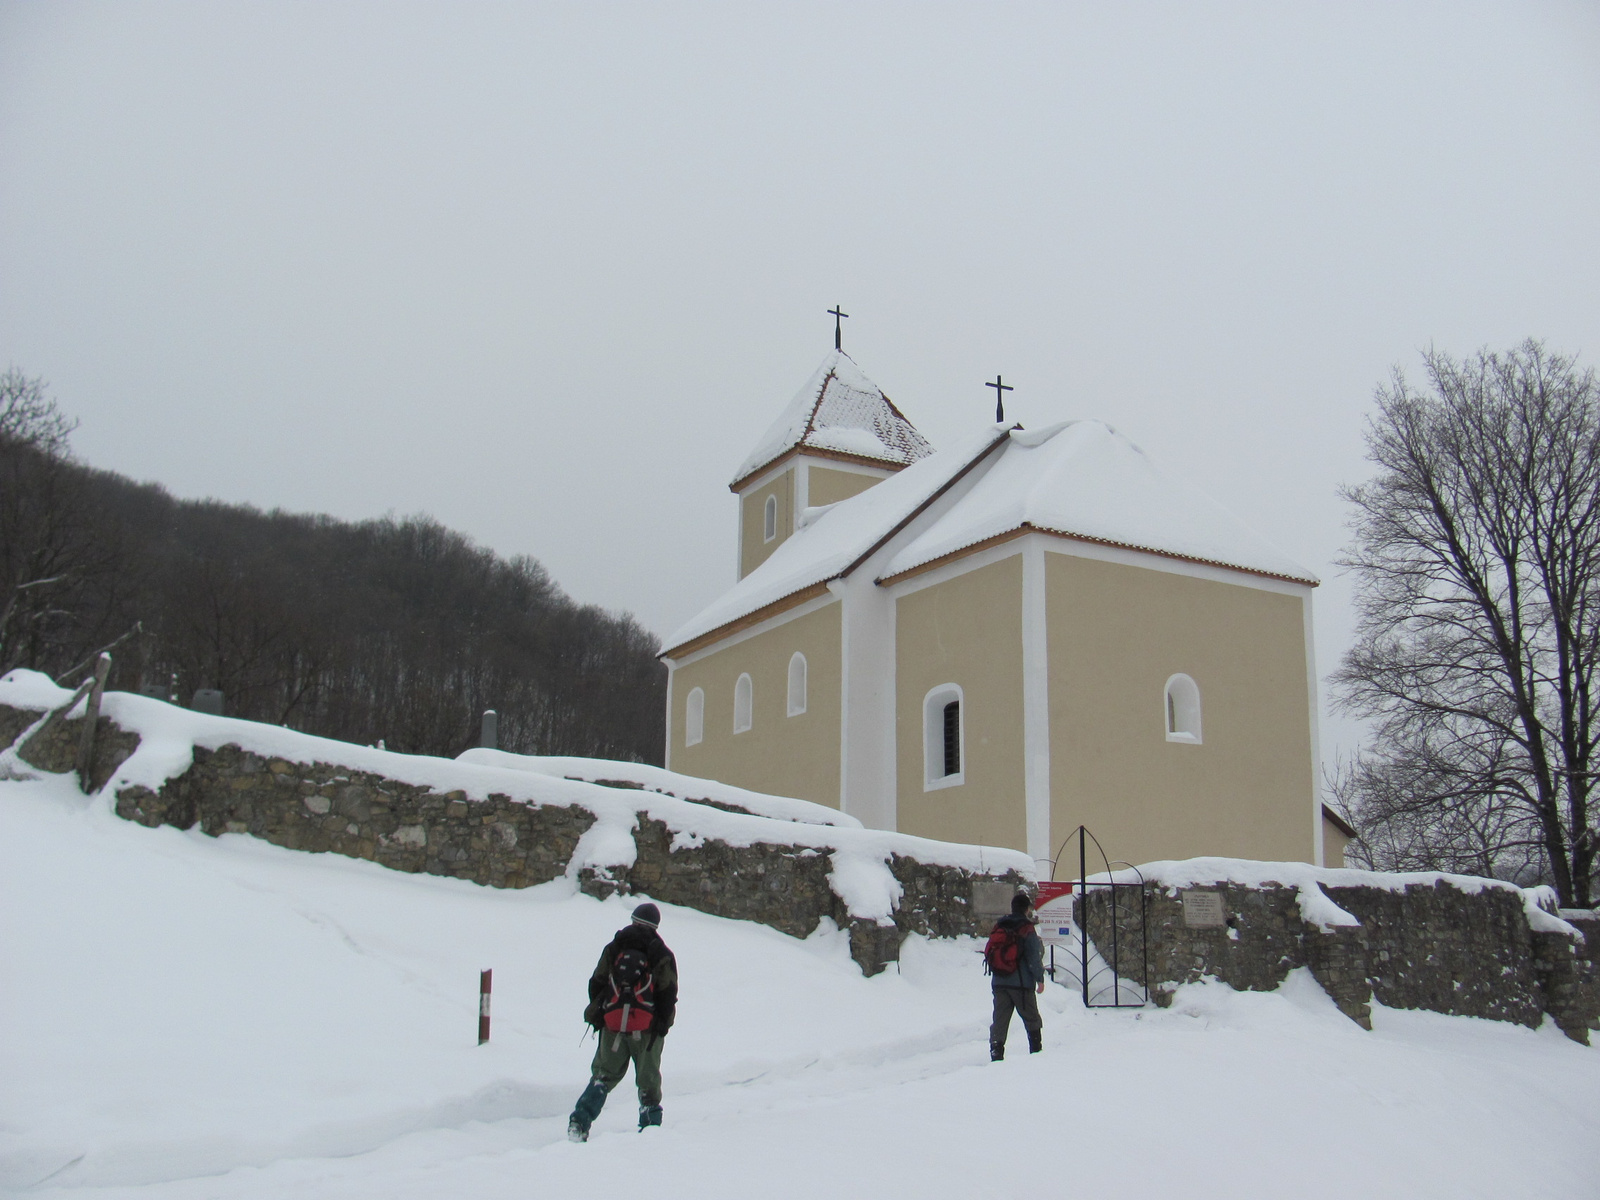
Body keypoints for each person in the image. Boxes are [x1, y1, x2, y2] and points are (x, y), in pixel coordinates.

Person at [567, 902, 678, 1141]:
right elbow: (668, 992)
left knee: (603, 1076)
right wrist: (662, 1025)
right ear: (656, 925)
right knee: (648, 1081)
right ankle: (650, 1131)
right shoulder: (661, 952)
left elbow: (596, 981)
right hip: (646, 1029)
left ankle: (579, 1122)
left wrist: (605, 1012)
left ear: (633, 919)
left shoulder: (615, 947)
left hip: (613, 1025)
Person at [988, 891, 1044, 1061]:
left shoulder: (1000, 925)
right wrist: (1039, 979)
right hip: (1021, 984)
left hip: (999, 982)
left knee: (1000, 1019)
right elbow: (1033, 955)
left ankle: (996, 1053)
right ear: (1027, 909)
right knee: (1031, 1018)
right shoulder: (1026, 927)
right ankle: (1036, 1052)